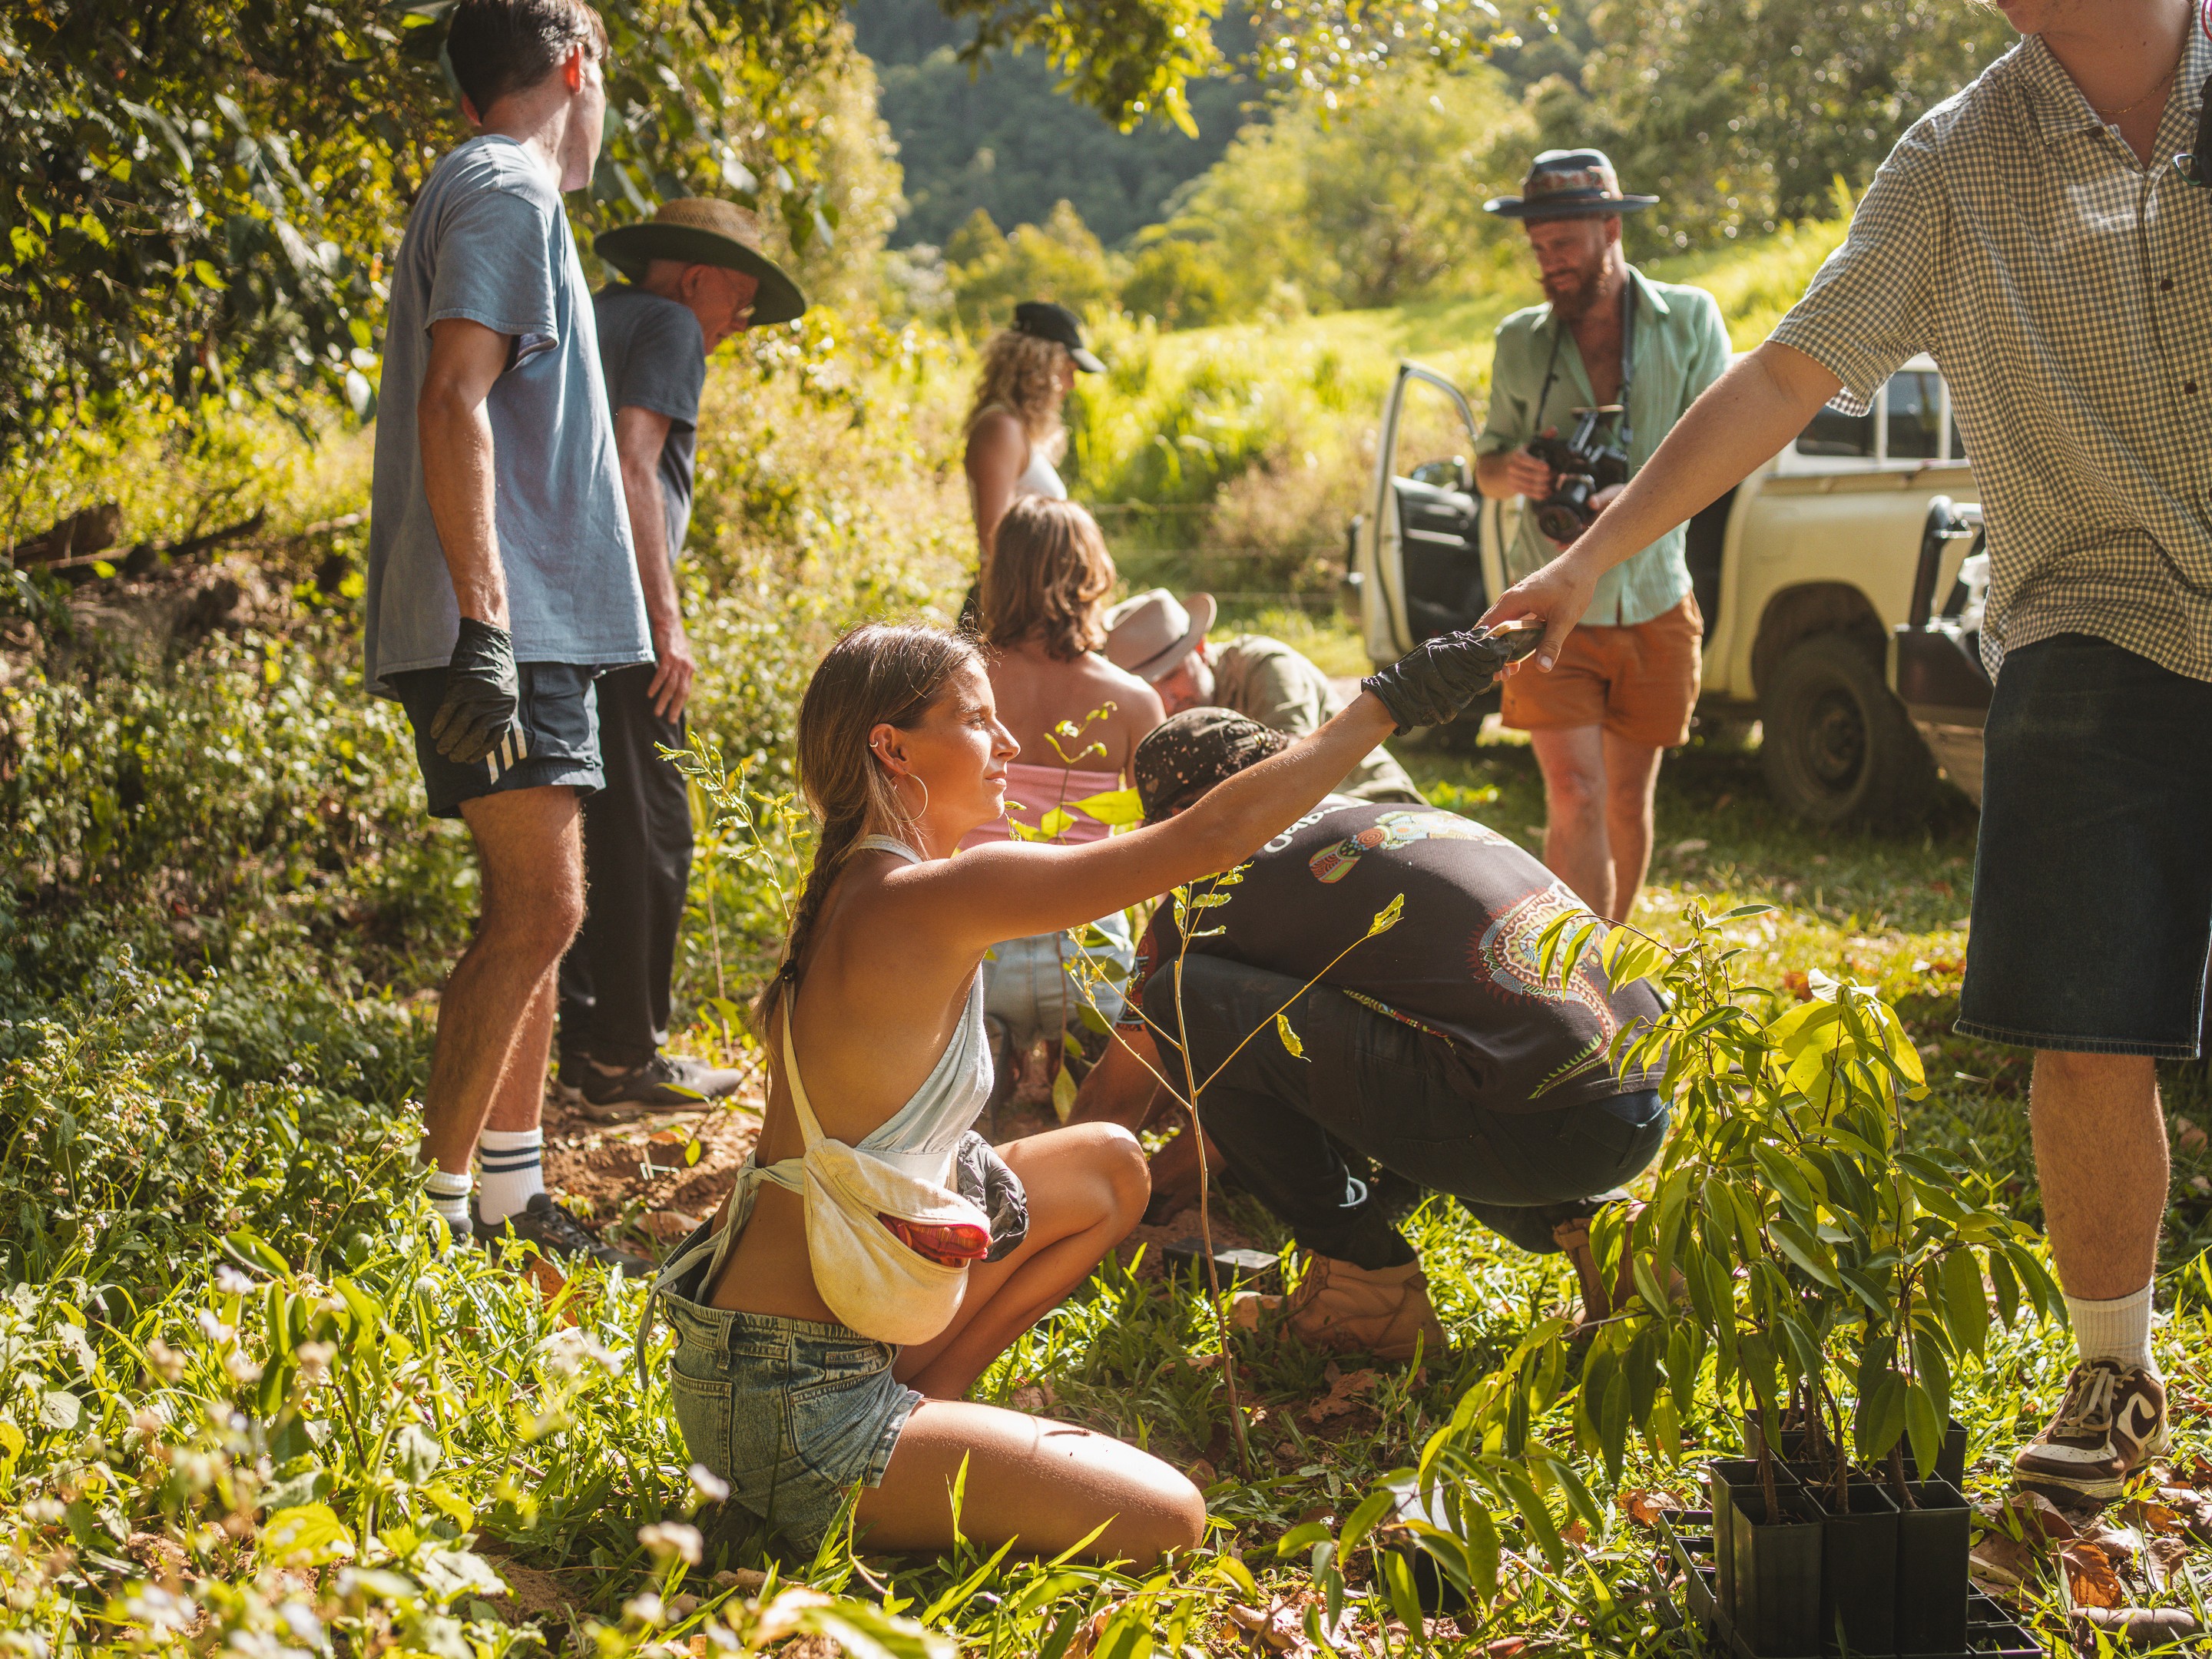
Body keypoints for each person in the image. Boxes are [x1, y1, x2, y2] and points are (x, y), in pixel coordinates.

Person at [1482, 0, 2209, 1504]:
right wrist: (1587, 558)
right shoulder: (1953, 164)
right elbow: (1782, 377)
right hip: (2090, 612)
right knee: (2080, 1015)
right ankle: (2116, 1378)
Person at [647, 618, 1514, 1558]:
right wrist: (1393, 698)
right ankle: (892, 1458)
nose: (1009, 742)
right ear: (891, 748)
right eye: (977, 719)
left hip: (754, 1361)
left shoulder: (874, 885)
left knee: (1106, 1166)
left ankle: (931, 1412)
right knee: (1172, 1520)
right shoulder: (930, 898)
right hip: (797, 1409)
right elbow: (1213, 831)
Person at [1069, 710, 1669, 1362]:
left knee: (1180, 993)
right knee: (1460, 1038)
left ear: (1172, 825)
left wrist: (1073, 1214)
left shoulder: (1211, 883)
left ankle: (1362, 1287)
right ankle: (1617, 1237)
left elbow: (1112, 1102)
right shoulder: (1379, 822)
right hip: (1639, 1102)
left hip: (1525, 1126)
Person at [364, 0, 648, 1271]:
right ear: (575, 70)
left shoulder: (505, 191)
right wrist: (486, 621)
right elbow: (454, 394)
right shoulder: (503, 187)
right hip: (504, 628)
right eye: (606, 77)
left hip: (533, 626)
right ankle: (425, 1221)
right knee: (536, 911)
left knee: (550, 913)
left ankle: (509, 1195)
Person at [547, 198, 807, 1119]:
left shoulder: (596, 309)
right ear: (696, 278)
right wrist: (666, 619)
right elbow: (634, 461)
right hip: (617, 616)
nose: (741, 320)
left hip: (555, 608)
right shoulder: (665, 324)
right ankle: (623, 1056)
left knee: (582, 820)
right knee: (654, 830)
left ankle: (584, 1043)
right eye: (740, 296)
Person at [1473, 148, 1730, 924]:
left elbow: (1724, 452)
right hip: (1548, 605)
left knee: (1625, 796)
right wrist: (1508, 470)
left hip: (1653, 596)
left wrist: (1642, 499)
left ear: (1611, 227)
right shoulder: (1520, 339)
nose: (1548, 263)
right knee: (1575, 792)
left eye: (1564, 246)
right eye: (1538, 249)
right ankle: (1579, 991)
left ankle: (1614, 957)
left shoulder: (1690, 319)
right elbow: (1485, 463)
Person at [965, 498, 1165, 1103]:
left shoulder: (960, 680)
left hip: (977, 946)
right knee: (1098, 1114)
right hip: (1086, 950)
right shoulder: (1132, 700)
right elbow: (1158, 847)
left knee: (967, 1137)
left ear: (999, 578)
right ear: (1091, 577)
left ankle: (990, 1066)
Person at [1103, 587, 1424, 805]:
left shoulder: (1265, 666)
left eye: (1172, 675)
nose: (1167, 702)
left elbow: (1293, 771)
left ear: (1200, 649)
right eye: (1149, 688)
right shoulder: (1164, 715)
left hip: (1372, 803)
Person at [963, 301, 1102, 590]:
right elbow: (994, 544)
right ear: (1041, 365)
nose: (1072, 384)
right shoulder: (1000, 428)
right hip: (1013, 605)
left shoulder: (1014, 428)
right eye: (1069, 369)